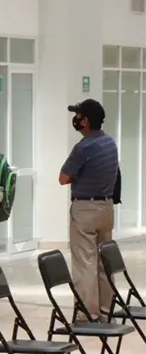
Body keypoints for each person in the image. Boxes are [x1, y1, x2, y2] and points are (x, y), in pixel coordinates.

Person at [60, 99, 119, 322]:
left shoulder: (83, 147)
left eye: (77, 116)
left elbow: (63, 178)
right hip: (106, 207)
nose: (75, 120)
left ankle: (87, 314)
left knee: (85, 262)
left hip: (85, 209)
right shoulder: (110, 143)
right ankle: (106, 311)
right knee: (105, 262)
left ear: (85, 121)